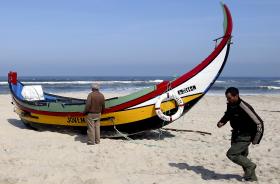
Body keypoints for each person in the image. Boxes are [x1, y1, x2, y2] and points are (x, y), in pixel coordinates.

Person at [217, 87, 264, 181]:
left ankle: (251, 165)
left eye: (229, 98)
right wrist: (222, 122)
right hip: (236, 134)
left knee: (232, 154)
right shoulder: (230, 104)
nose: (228, 100)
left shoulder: (244, 107)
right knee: (242, 157)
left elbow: (259, 123)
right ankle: (251, 178)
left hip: (245, 136)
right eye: (227, 98)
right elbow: (228, 114)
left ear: (236, 96)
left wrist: (256, 139)